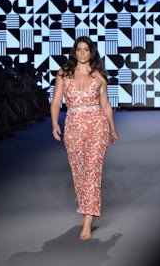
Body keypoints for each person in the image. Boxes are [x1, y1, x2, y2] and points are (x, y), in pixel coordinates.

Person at [50, 36, 119, 240]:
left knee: (92, 171)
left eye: (86, 49)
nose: (82, 53)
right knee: (79, 170)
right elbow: (55, 101)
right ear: (74, 52)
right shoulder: (64, 73)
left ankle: (88, 219)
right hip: (72, 126)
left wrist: (113, 129)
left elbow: (105, 105)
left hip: (97, 125)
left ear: (91, 52)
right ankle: (86, 205)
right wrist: (54, 123)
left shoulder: (98, 76)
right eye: (79, 49)